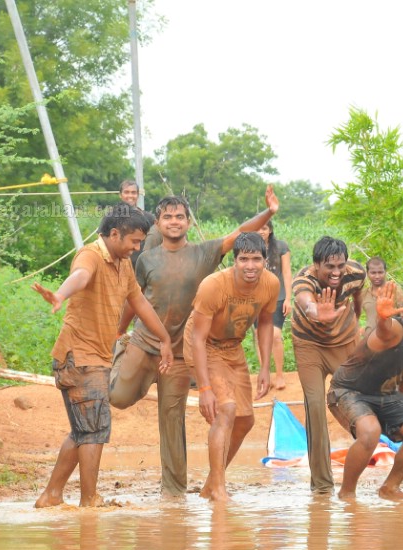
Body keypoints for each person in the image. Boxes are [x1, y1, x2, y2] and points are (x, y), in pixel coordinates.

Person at [109, 186, 278, 497]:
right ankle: (119, 355)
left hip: (178, 355)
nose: (175, 221)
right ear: (157, 223)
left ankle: (173, 491)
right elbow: (135, 300)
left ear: (188, 222)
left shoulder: (203, 254)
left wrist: (268, 213)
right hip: (144, 343)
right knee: (118, 397)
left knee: (172, 420)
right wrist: (119, 331)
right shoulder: (145, 259)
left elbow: (239, 234)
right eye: (168, 217)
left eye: (180, 217)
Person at [32, 203, 173, 508]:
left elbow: (140, 304)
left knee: (83, 430)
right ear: (113, 233)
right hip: (79, 357)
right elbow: (81, 276)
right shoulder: (91, 255)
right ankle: (89, 500)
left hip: (93, 358)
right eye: (134, 241)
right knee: (94, 430)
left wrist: (164, 338)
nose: (137, 247)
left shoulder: (123, 264)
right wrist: (60, 294)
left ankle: (51, 495)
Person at [183, 232, 279, 502]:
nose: (250, 266)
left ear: (265, 261)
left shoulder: (270, 284)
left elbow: (266, 322)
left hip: (233, 347)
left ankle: (212, 483)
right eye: (244, 259)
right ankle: (218, 488)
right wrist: (204, 388)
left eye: (256, 259)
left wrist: (264, 367)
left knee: (246, 420)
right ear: (234, 262)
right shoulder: (213, 286)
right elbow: (197, 339)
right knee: (225, 409)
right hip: (204, 344)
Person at [328, 282, 403, 500]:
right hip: (348, 392)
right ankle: (347, 493)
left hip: (385, 395)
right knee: (370, 432)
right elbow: (384, 332)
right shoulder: (394, 330)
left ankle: (390, 487)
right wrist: (383, 319)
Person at [291, 236, 366, 494]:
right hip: (309, 345)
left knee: (360, 397)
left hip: (344, 343)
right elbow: (305, 300)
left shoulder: (355, 273)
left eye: (339, 266)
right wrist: (315, 312)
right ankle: (322, 485)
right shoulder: (304, 281)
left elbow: (358, 293)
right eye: (329, 267)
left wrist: (356, 316)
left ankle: (367, 453)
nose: (335, 273)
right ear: (316, 266)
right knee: (314, 406)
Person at [254, 219, 292, 390]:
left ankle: (279, 375)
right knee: (258, 335)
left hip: (278, 296)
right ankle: (265, 375)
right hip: (255, 298)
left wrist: (289, 298)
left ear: (269, 230)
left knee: (275, 335)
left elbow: (286, 272)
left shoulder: (281, 247)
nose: (261, 231)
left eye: (264, 228)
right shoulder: (250, 247)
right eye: (257, 229)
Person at [363, 256, 403, 330]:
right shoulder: (363, 294)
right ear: (367, 273)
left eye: (380, 272)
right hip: (369, 339)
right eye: (373, 273)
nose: (377, 276)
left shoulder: (395, 290)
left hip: (391, 337)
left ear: (385, 272)